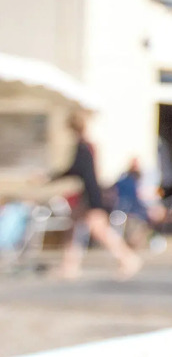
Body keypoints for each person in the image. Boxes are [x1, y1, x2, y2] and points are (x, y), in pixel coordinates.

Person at [51, 112, 142, 280]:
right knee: (73, 229)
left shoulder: (83, 146)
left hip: (90, 194)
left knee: (99, 230)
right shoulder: (89, 145)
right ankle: (69, 265)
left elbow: (77, 170)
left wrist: (52, 177)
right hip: (89, 193)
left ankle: (128, 258)